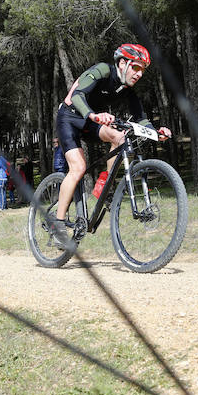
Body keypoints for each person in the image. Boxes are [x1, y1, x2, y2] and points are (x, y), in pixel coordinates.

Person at [51, 43, 172, 245]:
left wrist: (156, 133)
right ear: (123, 63)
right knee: (78, 168)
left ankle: (104, 185)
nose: (139, 74)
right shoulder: (103, 70)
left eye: (143, 70)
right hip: (69, 117)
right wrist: (93, 115)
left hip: (90, 120)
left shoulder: (126, 89)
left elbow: (141, 118)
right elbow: (77, 95)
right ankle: (58, 224)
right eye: (136, 67)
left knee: (120, 138)